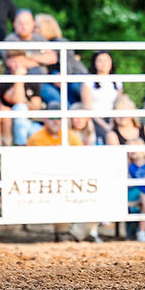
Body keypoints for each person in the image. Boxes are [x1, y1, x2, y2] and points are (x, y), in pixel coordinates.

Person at [26, 101, 98, 242]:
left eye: (58, 118)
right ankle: (64, 233)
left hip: (72, 180)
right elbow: (31, 165)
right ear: (44, 119)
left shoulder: (71, 136)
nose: (55, 122)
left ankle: (75, 234)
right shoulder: (35, 138)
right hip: (46, 183)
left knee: (95, 195)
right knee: (58, 195)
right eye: (51, 118)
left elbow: (83, 161)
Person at [3, 9, 59, 107]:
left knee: (60, 100)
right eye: (20, 23)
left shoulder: (39, 38)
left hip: (43, 82)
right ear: (14, 24)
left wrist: (27, 55)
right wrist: (41, 60)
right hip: (22, 84)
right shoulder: (11, 40)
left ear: (33, 24)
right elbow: (13, 62)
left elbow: (52, 58)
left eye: (26, 23)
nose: (23, 26)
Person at [84, 50, 122, 139]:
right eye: (100, 60)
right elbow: (87, 108)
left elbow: (118, 105)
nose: (103, 63)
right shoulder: (88, 81)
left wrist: (112, 123)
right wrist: (105, 125)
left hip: (113, 119)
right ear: (94, 63)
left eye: (106, 60)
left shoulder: (117, 82)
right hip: (95, 120)